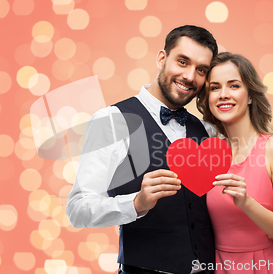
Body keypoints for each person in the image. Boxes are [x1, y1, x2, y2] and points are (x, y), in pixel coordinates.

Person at [67, 25, 219, 274]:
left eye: (200, 70)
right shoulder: (112, 120)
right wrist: (136, 203)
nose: (190, 76)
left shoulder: (207, 131)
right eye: (182, 62)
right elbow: (77, 209)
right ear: (162, 58)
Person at [197, 52, 273, 273]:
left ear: (251, 95)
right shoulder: (207, 153)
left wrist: (247, 202)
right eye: (215, 88)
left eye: (234, 86)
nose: (223, 94)